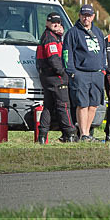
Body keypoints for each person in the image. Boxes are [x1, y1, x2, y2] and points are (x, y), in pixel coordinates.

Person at [63, 4, 107, 142]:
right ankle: (83, 134)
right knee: (82, 104)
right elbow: (66, 53)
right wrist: (72, 72)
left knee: (93, 104)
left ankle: (86, 133)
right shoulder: (73, 32)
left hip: (97, 73)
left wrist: (103, 69)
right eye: (83, 15)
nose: (86, 18)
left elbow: (103, 51)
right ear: (79, 16)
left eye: (88, 15)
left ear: (93, 16)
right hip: (80, 73)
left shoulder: (98, 32)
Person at [35, 12, 78, 143]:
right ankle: (70, 134)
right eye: (53, 22)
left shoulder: (52, 36)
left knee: (48, 106)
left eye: (58, 22)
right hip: (55, 76)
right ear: (47, 23)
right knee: (64, 105)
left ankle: (42, 135)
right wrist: (64, 73)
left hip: (47, 76)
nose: (56, 24)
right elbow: (54, 59)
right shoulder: (50, 38)